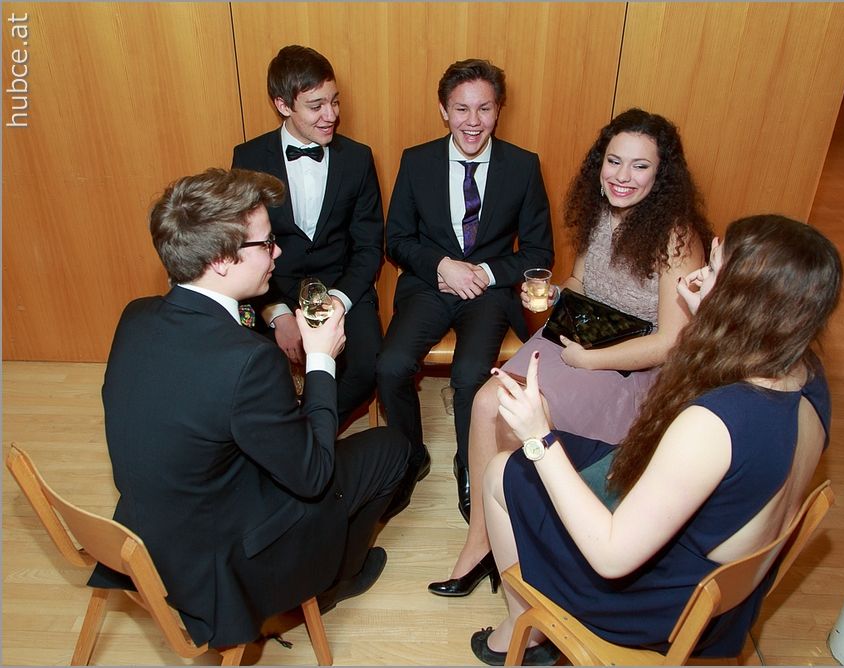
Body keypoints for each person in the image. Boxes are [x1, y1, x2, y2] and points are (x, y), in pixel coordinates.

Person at [467, 214, 842, 665]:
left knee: (503, 471)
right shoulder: (805, 374)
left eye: (713, 269)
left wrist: (539, 437)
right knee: (519, 467)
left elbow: (610, 557)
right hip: (721, 589)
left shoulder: (712, 425)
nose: (695, 277)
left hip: (655, 605)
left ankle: (526, 632)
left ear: (741, 303)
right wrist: (705, 321)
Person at [87, 168, 409, 650]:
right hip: (222, 567)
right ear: (220, 260)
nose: (278, 253)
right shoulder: (249, 361)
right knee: (391, 448)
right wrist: (321, 359)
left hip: (150, 529)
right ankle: (337, 576)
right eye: (266, 243)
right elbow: (313, 476)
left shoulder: (135, 315)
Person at [429, 108, 711, 597]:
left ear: (661, 174)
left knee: (518, 417)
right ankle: (481, 542)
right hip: (581, 333)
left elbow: (672, 341)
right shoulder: (602, 212)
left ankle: (524, 543)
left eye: (640, 166)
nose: (622, 176)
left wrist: (591, 360)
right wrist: (555, 295)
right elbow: (582, 281)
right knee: (485, 401)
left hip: (629, 365)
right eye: (614, 161)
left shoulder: (677, 237)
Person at [376, 58, 554, 517]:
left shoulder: (523, 166)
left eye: (484, 108)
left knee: (471, 372)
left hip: (489, 293)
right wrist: (442, 265)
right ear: (443, 110)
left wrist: (485, 273)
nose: (472, 121)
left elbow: (539, 253)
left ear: (499, 110)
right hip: (429, 285)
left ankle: (470, 462)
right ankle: (410, 456)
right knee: (390, 365)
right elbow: (397, 239)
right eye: (461, 109)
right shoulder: (416, 161)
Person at [232, 44, 384, 427]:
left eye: (335, 101)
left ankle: (309, 434)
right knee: (249, 374)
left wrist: (339, 302)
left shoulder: (358, 158)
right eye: (316, 106)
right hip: (272, 290)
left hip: (343, 287)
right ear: (283, 105)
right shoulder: (248, 159)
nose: (331, 115)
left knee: (370, 366)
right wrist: (277, 314)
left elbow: (369, 247)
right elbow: (241, 250)